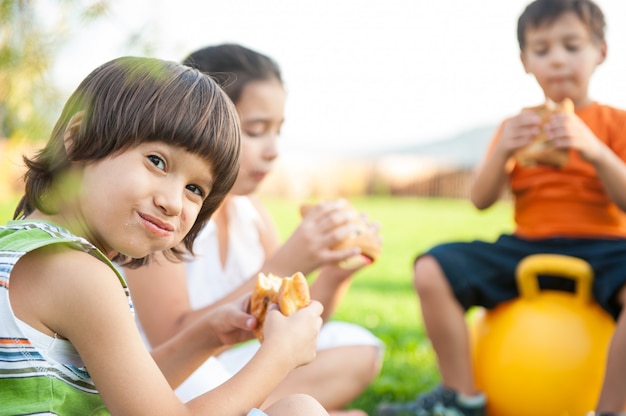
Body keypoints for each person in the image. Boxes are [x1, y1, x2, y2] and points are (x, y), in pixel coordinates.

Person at [0, 55, 329, 416]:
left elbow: (123, 399)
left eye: (194, 189)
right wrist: (278, 357)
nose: (173, 202)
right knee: (301, 411)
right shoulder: (79, 274)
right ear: (78, 139)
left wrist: (204, 338)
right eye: (157, 161)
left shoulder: (22, 246)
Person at [376, 0, 626, 415]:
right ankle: (459, 395)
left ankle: (610, 409)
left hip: (605, 245)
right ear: (525, 61)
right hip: (525, 245)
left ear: (600, 51)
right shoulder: (515, 127)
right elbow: (481, 200)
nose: (558, 60)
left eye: (571, 45)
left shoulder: (615, 123)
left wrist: (594, 150)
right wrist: (504, 151)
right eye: (542, 50)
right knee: (432, 267)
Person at [124, 44, 383, 416]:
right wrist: (289, 258)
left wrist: (336, 273)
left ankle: (256, 404)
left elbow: (290, 318)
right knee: (207, 381)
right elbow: (172, 336)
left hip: (232, 362)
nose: (274, 149)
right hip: (172, 368)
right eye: (257, 131)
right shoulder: (165, 216)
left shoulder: (252, 213)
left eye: (278, 131)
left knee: (360, 348)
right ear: (205, 125)